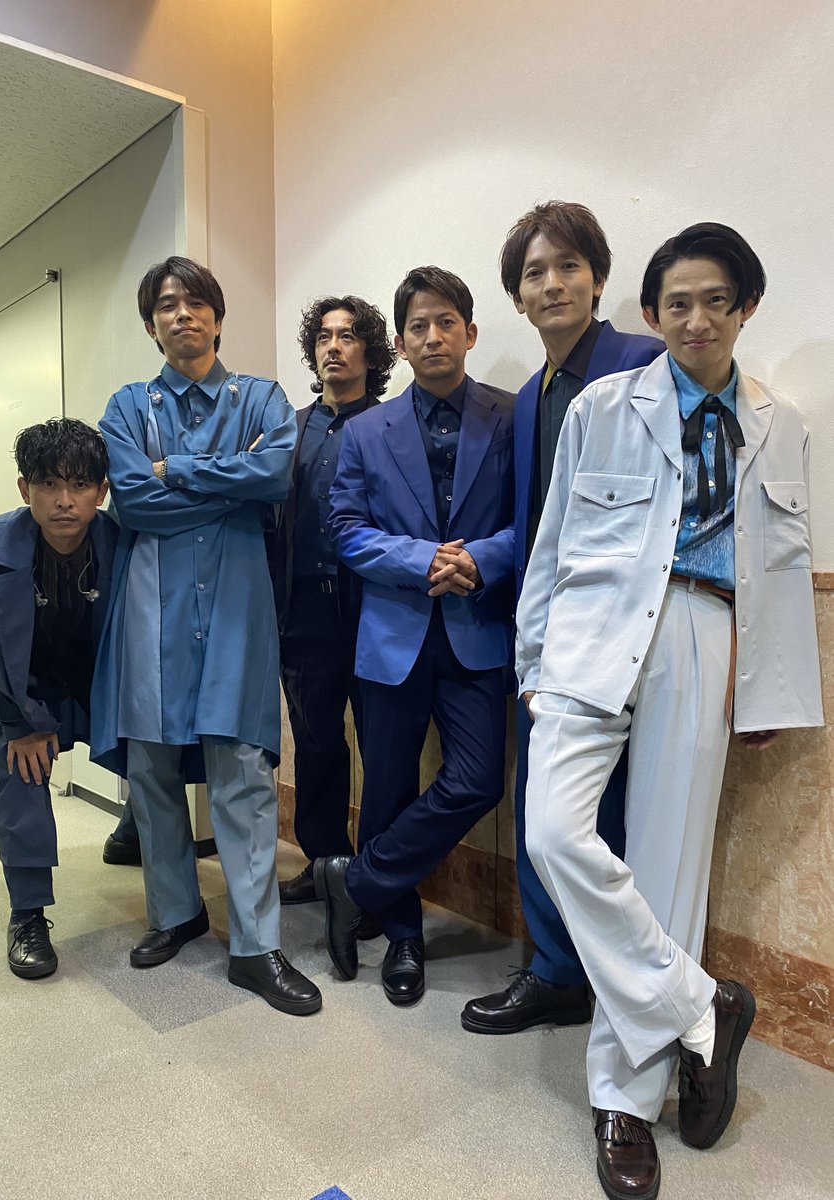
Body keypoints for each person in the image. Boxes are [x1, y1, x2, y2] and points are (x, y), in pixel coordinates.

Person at [516, 223, 822, 1199]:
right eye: (678, 303)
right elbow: (552, 541)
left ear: (745, 308)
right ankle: (702, 1007)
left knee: (669, 872)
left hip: (704, 630)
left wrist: (768, 683)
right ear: (651, 314)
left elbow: (777, 568)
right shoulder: (602, 406)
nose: (697, 320)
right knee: (553, 832)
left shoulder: (781, 422)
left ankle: (624, 1099)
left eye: (716, 301)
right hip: (591, 634)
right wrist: (533, 664)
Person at [90, 256, 320, 1016]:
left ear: (218, 318)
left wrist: (175, 470)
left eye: (195, 302)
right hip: (148, 613)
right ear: (150, 325)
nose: (182, 313)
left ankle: (256, 946)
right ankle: (176, 913)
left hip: (236, 612)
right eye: (166, 304)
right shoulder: (128, 407)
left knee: (242, 767)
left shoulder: (262, 398)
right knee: (152, 770)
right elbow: (132, 501)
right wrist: (225, 483)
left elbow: (273, 479)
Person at [463, 201, 664, 1035]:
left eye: (568, 266)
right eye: (534, 273)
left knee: (614, 818)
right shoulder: (531, 397)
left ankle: (619, 980)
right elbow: (536, 525)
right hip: (549, 635)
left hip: (634, 631)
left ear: (599, 278)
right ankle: (556, 972)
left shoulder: (644, 363)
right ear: (517, 297)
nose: (552, 284)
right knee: (544, 808)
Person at [314, 266, 515, 1005]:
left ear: (470, 331)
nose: (433, 336)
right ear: (399, 343)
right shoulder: (366, 430)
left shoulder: (511, 416)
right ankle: (402, 936)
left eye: (446, 322)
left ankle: (356, 881)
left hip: (477, 632)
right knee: (388, 788)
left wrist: (481, 559)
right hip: (392, 635)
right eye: (418, 326)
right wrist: (419, 560)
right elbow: (344, 528)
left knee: (478, 780)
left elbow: (535, 518)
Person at [0, 418, 119, 979]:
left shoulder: (124, 542)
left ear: (102, 490)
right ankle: (28, 914)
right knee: (14, 765)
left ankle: (138, 828)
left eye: (80, 484)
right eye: (48, 484)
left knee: (155, 745)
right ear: (25, 489)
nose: (64, 501)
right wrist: (19, 723)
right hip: (16, 693)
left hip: (95, 685)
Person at [270, 296, 395, 904]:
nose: (334, 347)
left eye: (348, 336)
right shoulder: (288, 429)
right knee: (316, 741)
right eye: (323, 337)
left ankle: (378, 874)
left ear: (370, 352)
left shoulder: (392, 426)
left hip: (373, 613)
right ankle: (325, 866)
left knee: (382, 747)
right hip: (303, 614)